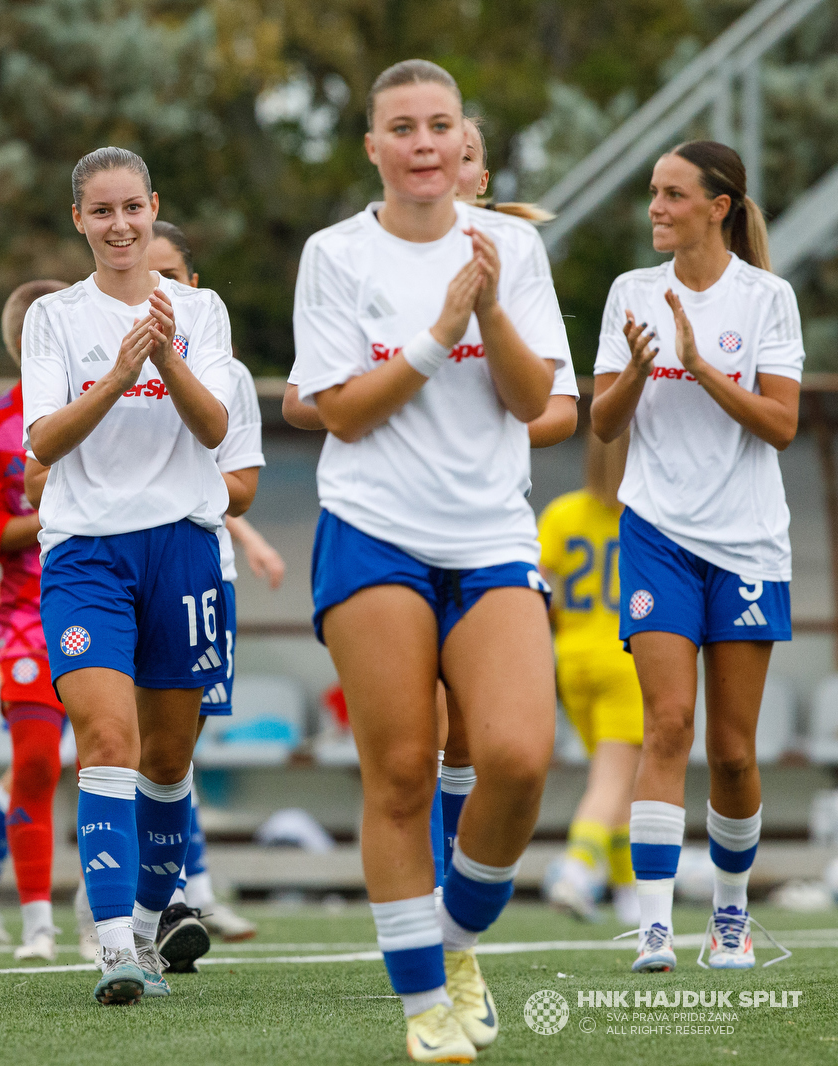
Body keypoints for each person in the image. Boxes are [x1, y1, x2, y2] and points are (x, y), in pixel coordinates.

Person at [290, 60, 577, 1061]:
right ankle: (423, 1005)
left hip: (490, 533)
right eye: (401, 127)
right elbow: (340, 411)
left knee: (516, 759)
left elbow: (532, 400)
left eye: (439, 126)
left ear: (465, 146)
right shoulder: (334, 254)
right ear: (372, 146)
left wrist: (489, 309)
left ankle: (453, 939)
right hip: (371, 529)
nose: (422, 143)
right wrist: (436, 331)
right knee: (403, 769)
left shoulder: (511, 249)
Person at [24, 146, 235, 1006]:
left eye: (131, 209)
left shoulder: (202, 309)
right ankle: (112, 942)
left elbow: (218, 427)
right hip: (87, 553)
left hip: (181, 548)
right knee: (106, 740)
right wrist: (118, 374)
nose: (119, 227)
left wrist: (166, 355)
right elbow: (41, 441)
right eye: (100, 213)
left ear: (154, 207)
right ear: (79, 221)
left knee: (169, 759)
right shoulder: (56, 319)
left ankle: (149, 928)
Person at [590, 140, 802, 973]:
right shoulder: (630, 293)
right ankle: (652, 926)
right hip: (656, 534)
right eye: (652, 193)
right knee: (667, 724)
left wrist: (700, 367)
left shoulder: (767, 298)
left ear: (718, 206)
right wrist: (642, 370)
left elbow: (781, 425)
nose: (656, 208)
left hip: (748, 540)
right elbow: (604, 424)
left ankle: (730, 915)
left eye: (673, 195)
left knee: (735, 750)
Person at [429, 115, 579, 892]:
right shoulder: (359, 253)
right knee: (416, 736)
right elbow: (313, 401)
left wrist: (504, 416)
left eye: (466, 155)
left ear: (479, 177)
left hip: (488, 524)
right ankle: (420, 910)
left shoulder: (518, 258)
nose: (445, 164)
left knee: (482, 746)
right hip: (392, 525)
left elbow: (558, 410)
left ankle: (459, 896)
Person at [144, 220, 273, 961]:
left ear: (195, 287)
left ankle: (162, 897)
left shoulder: (225, 374)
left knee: (174, 750)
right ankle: (144, 905)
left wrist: (167, 488)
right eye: (145, 276)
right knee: (117, 739)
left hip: (200, 574)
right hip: (114, 568)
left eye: (171, 276)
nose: (156, 290)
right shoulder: (95, 352)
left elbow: (245, 487)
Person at [0, 278, 71, 961]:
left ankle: (113, 916)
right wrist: (52, 517)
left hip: (116, 602)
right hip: (28, 616)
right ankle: (37, 925)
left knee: (122, 762)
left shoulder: (113, 402)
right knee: (33, 762)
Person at [536, 429, 643, 925]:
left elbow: (534, 585)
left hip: (572, 659)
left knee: (618, 782)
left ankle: (630, 895)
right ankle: (577, 870)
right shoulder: (648, 515)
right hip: (629, 659)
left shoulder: (562, 512)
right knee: (614, 781)